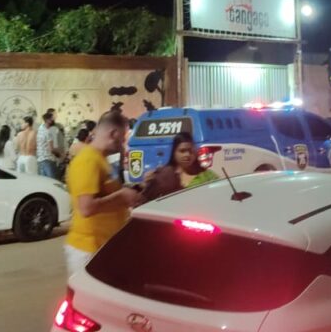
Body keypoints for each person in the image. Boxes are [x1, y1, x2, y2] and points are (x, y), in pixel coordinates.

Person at [64, 111, 140, 276]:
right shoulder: (88, 160)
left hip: (102, 247)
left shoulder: (100, 159)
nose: (123, 143)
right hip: (89, 250)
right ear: (114, 134)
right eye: (122, 138)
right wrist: (122, 196)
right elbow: (86, 208)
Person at [141, 132, 220, 202]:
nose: (187, 155)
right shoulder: (165, 175)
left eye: (190, 151)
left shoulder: (207, 176)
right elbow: (146, 200)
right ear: (174, 153)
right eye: (182, 151)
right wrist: (145, 184)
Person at [37, 111, 64, 179]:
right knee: (52, 182)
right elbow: (51, 149)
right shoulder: (48, 132)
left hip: (40, 160)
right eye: (52, 119)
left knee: (44, 183)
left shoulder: (40, 129)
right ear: (48, 120)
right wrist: (60, 154)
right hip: (48, 160)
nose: (53, 120)